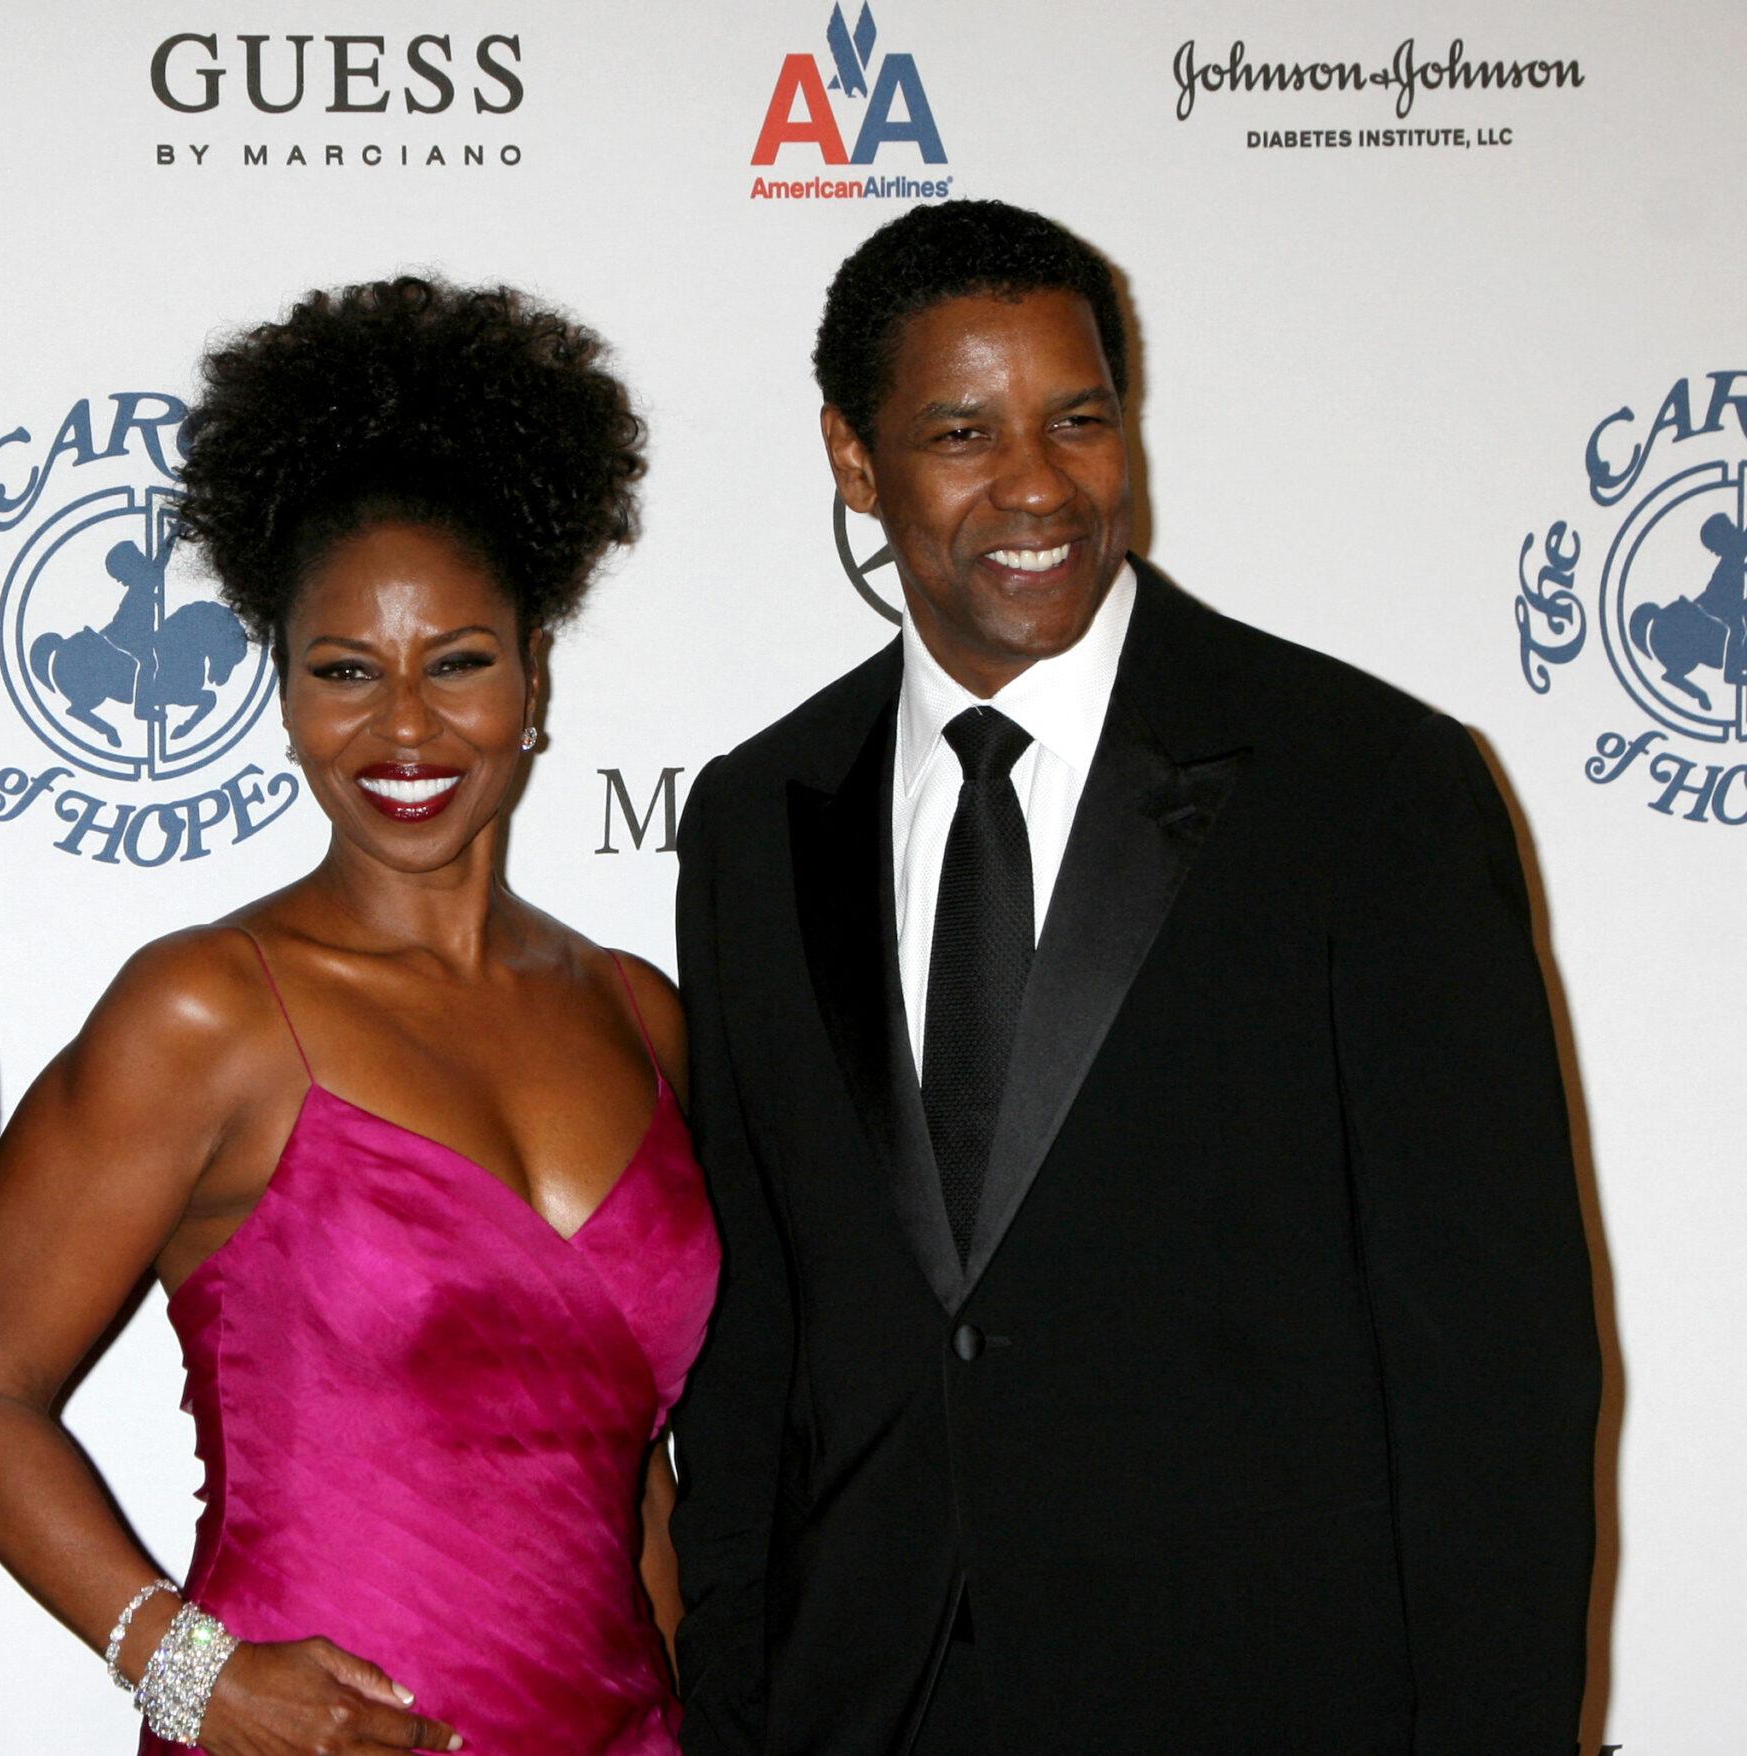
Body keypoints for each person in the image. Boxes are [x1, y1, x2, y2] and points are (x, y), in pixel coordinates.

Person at [668, 200, 1600, 1754]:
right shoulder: (758, 817)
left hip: (1262, 1702)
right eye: (962, 431)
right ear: (853, 458)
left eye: (1079, 419)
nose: (1037, 485)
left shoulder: (1367, 787)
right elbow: (755, 1341)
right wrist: (740, 1715)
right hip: (867, 1706)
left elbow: (1496, 1372)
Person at [0, 276, 714, 1755]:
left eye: (461, 664)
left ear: (535, 677)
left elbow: (636, 1482)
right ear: (285, 693)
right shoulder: (208, 1011)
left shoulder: (639, 1013)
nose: (406, 729)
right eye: (346, 672)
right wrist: (189, 1672)